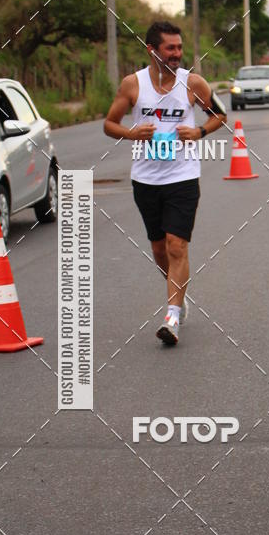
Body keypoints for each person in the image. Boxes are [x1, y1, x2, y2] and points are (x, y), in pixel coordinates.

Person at [104, 20, 226, 346]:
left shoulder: (193, 83)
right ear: (152, 49)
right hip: (145, 179)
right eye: (170, 48)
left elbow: (220, 115)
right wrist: (131, 133)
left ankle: (171, 316)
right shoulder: (133, 84)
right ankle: (179, 297)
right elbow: (109, 124)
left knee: (176, 245)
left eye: (179, 48)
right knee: (159, 249)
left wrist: (199, 131)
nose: (177, 54)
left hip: (182, 176)